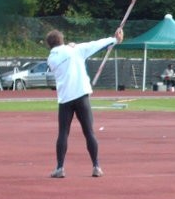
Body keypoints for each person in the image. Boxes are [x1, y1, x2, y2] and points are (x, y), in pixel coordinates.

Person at [46, 27, 124, 178]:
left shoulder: (51, 58)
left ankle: (60, 168)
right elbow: (95, 44)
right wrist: (115, 40)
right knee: (89, 132)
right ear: (62, 40)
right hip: (81, 96)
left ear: (50, 45)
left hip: (65, 99)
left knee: (63, 133)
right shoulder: (76, 50)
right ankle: (96, 166)